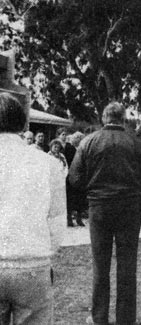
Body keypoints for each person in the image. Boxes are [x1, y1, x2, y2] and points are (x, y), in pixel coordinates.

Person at [68, 101, 141, 325]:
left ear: (104, 118)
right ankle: (126, 319)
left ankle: (99, 317)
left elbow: (74, 178)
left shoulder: (88, 142)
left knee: (100, 264)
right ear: (123, 119)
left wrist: (93, 187)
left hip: (99, 207)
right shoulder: (136, 143)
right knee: (127, 266)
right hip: (128, 207)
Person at [0, 93, 66, 324]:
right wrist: (44, 252)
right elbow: (57, 219)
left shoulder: (48, 162)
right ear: (22, 123)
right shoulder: (47, 163)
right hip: (32, 264)